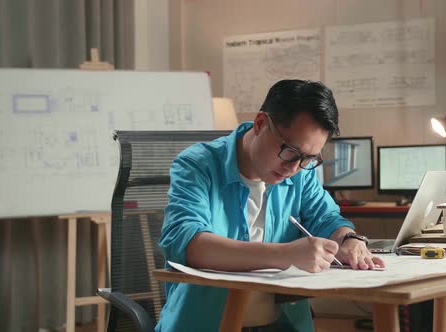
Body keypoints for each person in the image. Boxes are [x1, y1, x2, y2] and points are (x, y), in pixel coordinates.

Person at [156, 79, 385, 331]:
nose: (294, 168)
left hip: (281, 324)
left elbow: (328, 219)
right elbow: (186, 244)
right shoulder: (198, 165)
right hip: (208, 323)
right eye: (290, 151)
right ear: (260, 123)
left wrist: (349, 239)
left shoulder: (300, 173)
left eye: (308, 159)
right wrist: (286, 254)